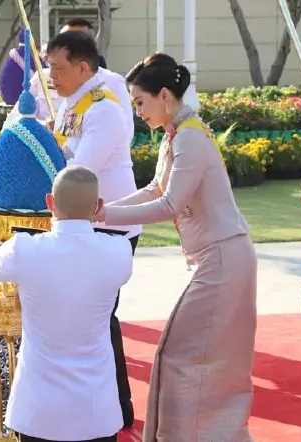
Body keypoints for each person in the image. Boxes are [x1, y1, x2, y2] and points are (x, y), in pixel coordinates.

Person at [93, 53, 256, 442]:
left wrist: (101, 216)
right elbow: (156, 190)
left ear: (163, 95)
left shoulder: (190, 137)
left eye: (139, 102)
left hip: (223, 258)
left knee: (182, 355)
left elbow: (168, 204)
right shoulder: (178, 135)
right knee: (190, 356)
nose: (137, 112)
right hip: (216, 258)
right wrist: (100, 212)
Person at [0, 165, 133, 442]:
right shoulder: (119, 252)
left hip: (39, 412)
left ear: (50, 202)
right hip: (96, 411)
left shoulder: (24, 249)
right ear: (98, 206)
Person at [45, 29, 140, 428]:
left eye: (58, 67)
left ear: (84, 67)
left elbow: (77, 173)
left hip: (109, 224)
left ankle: (118, 408)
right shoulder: (74, 101)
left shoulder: (102, 109)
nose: (52, 75)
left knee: (100, 320)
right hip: (87, 222)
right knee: (87, 320)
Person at [5, 18, 129, 126]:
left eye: (75, 43)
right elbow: (13, 121)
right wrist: (44, 128)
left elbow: (123, 131)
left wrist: (62, 128)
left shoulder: (111, 82)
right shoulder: (42, 78)